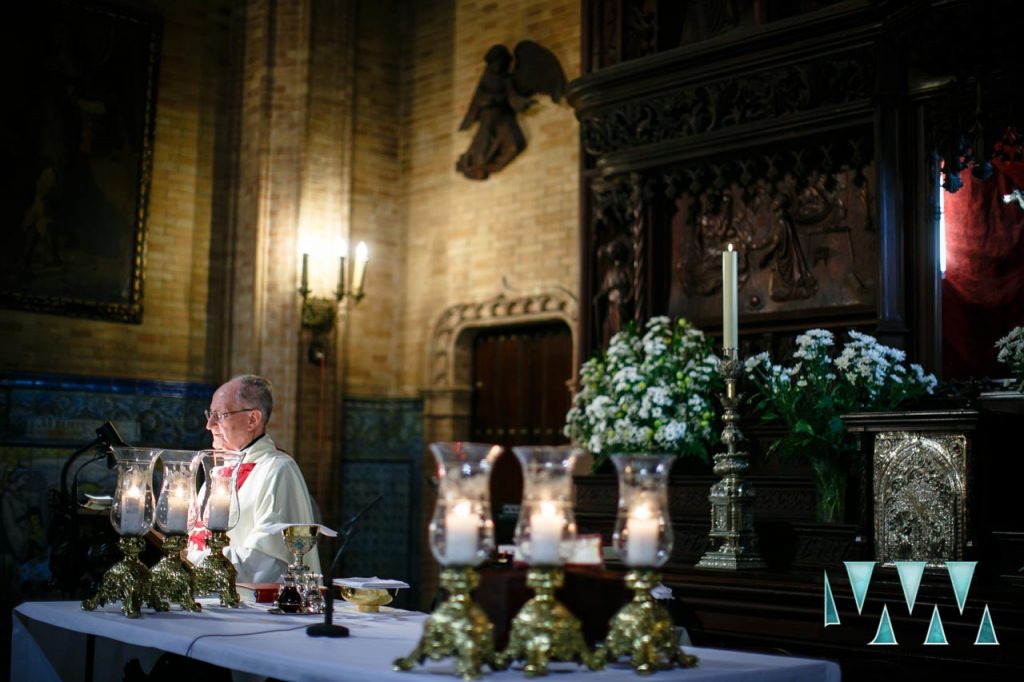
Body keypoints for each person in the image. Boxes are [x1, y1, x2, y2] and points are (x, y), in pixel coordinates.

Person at [187, 375, 321, 583]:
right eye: (209, 414)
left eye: (219, 415)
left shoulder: (278, 470)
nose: (209, 424)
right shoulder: (219, 474)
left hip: (254, 609)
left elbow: (266, 563)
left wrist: (191, 563)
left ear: (253, 419)